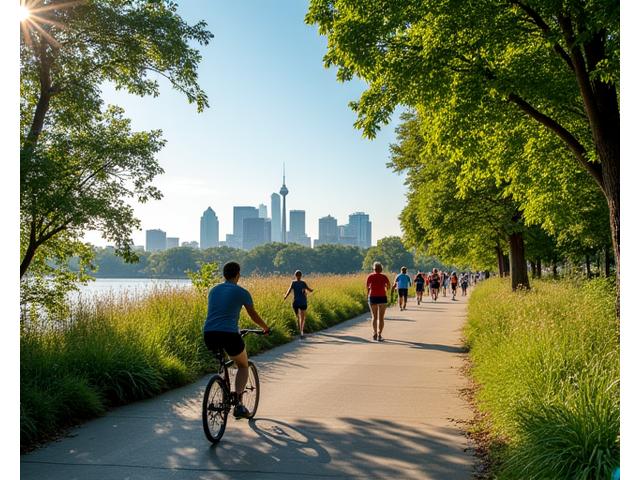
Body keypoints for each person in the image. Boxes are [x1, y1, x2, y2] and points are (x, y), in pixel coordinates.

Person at [202, 261, 270, 419]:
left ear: (223, 274)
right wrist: (265, 327)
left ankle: (221, 383)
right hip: (229, 335)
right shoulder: (241, 292)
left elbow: (220, 314)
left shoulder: (213, 290)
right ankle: (238, 403)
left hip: (209, 334)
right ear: (238, 274)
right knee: (243, 365)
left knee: (223, 360)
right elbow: (253, 315)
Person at [283, 270, 314, 338]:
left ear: (295, 275)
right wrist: (312, 290)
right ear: (301, 275)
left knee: (297, 317)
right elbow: (310, 290)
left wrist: (285, 296)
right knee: (302, 318)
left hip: (296, 302)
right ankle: (301, 332)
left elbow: (289, 290)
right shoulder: (303, 283)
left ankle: (299, 329)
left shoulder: (293, 283)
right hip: (303, 302)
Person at [366, 262, 391, 342]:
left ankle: (374, 333)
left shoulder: (370, 276)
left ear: (374, 269)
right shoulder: (384, 277)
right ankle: (380, 335)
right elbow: (389, 286)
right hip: (382, 297)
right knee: (381, 318)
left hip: (373, 297)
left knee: (374, 317)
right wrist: (385, 288)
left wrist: (368, 294)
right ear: (381, 269)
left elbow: (367, 287)